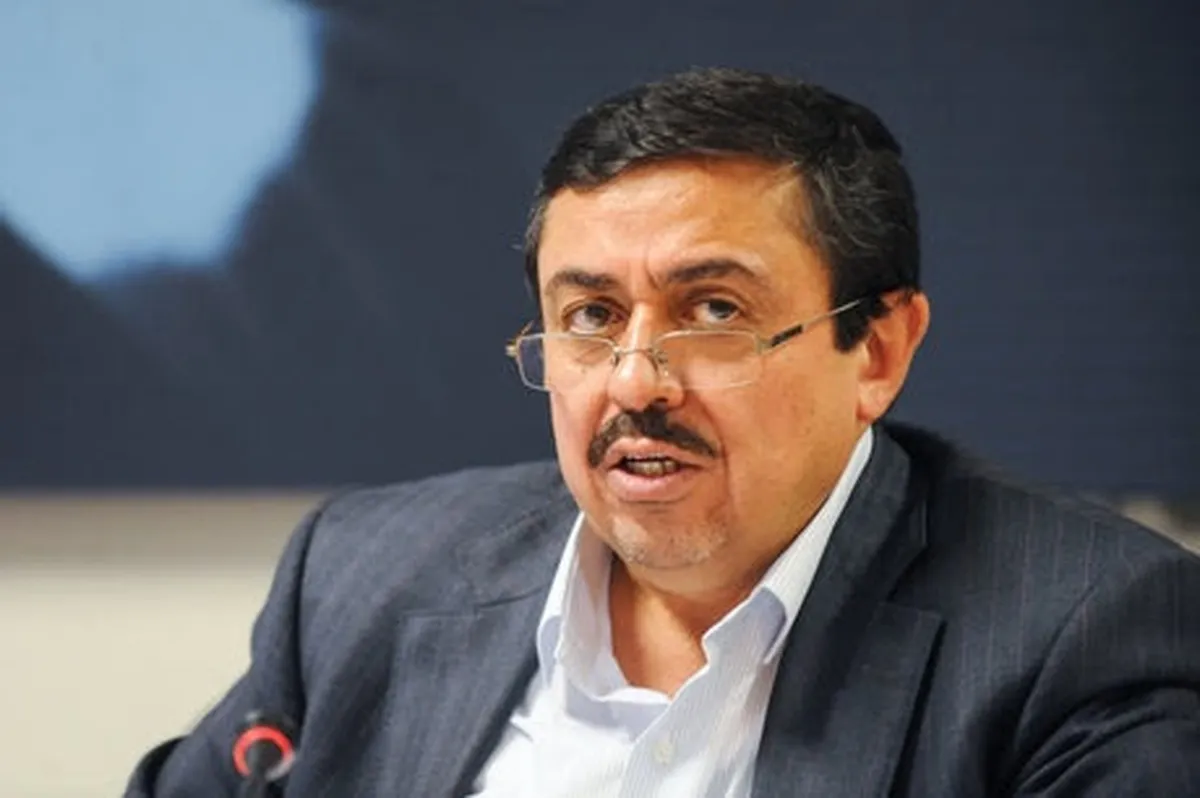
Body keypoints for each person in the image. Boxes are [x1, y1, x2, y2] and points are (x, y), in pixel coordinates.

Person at [125, 68, 1200, 797]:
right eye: (590, 316)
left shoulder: (1085, 636)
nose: (635, 381)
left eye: (714, 310)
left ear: (876, 350)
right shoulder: (361, 580)